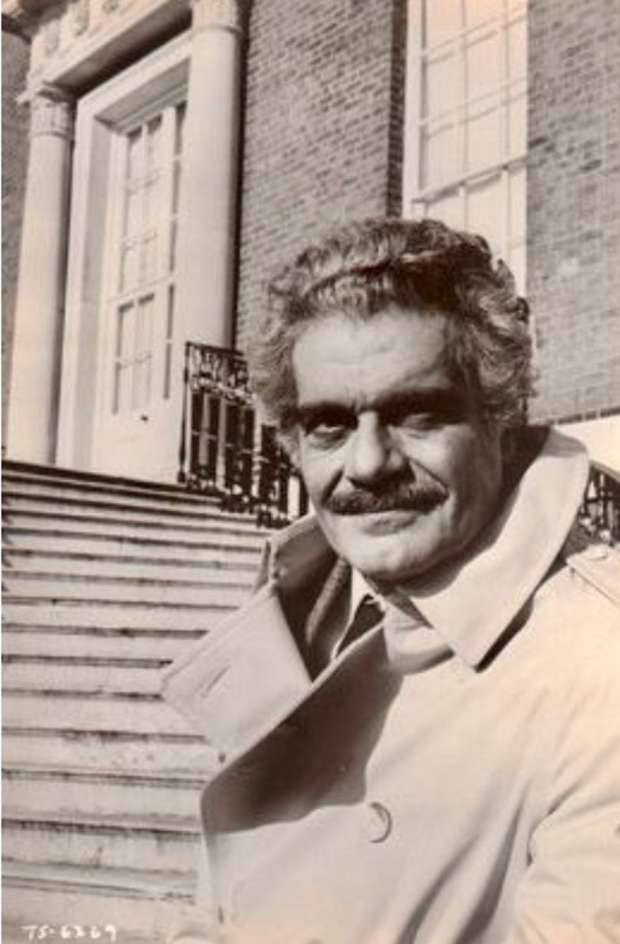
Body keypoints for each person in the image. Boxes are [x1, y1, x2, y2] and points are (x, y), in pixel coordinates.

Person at [163, 218, 620, 943]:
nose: (369, 463)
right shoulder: (302, 618)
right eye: (329, 425)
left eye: (418, 415)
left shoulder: (599, 657)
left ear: (501, 419)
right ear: (293, 443)